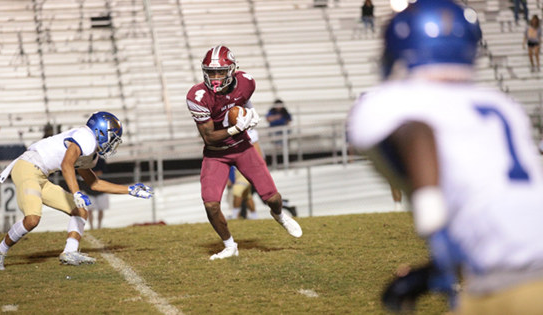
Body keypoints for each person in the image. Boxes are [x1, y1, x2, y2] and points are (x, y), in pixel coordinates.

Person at [348, 0, 543, 313]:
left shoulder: (394, 102)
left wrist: (430, 213)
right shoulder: (503, 105)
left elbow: (416, 130)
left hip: (510, 282)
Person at [0, 111, 154, 270]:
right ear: (100, 131)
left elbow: (94, 183)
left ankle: (70, 252)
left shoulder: (90, 152)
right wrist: (76, 193)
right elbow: (66, 164)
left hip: (41, 176)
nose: (112, 143)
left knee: (81, 211)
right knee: (32, 219)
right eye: (112, 138)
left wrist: (130, 189)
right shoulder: (86, 138)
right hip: (27, 167)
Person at [186, 45, 302, 260]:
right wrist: (236, 128)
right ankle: (230, 246)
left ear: (232, 70)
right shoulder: (198, 96)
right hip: (216, 153)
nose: (216, 77)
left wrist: (250, 113)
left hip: (242, 148)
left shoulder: (246, 81)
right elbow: (209, 137)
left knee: (273, 197)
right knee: (211, 205)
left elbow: (243, 102)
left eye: (220, 71)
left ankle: (278, 215)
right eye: (211, 72)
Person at [81, 158, 109, 229]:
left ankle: (99, 225)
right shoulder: (86, 161)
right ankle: (92, 226)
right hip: (89, 190)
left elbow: (103, 172)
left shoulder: (101, 161)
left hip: (100, 190)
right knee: (90, 210)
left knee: (101, 209)